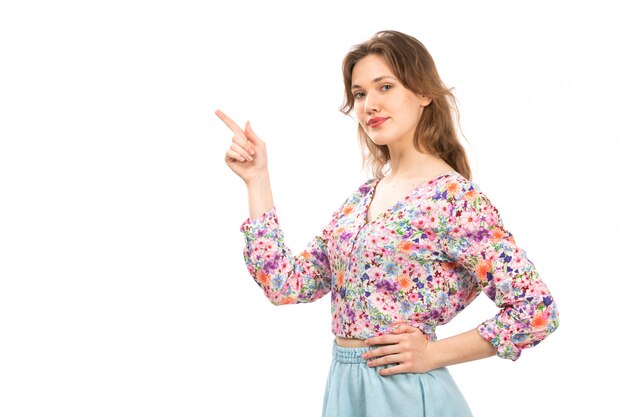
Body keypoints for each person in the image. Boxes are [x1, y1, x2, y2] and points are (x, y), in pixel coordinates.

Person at [216, 30, 559, 417]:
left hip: (405, 394)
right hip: (345, 390)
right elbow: (285, 285)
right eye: (360, 94)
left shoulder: (454, 200)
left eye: (385, 87)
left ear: (424, 93)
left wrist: (433, 353)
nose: (369, 105)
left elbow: (536, 310)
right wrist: (257, 179)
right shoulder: (361, 200)